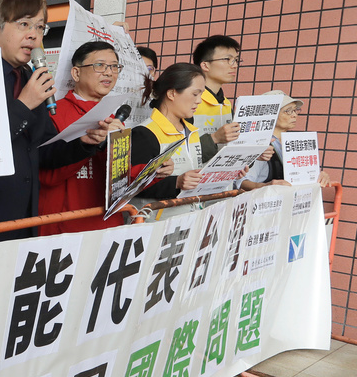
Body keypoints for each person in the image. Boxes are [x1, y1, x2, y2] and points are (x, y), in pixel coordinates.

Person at [0, 0, 113, 242]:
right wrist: (24, 105)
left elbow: (43, 151)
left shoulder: (29, 80)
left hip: (25, 221)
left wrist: (85, 144)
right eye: (23, 24)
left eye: (40, 26)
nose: (34, 34)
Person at [39, 41, 126, 235]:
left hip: (108, 224)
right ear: (76, 73)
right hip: (65, 225)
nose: (109, 72)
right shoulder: (53, 112)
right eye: (100, 65)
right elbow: (46, 175)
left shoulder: (114, 120)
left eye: (114, 66)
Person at [130, 63, 206, 216]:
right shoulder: (144, 133)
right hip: (156, 225)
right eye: (195, 94)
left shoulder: (191, 130)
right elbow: (132, 186)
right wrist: (176, 183)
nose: (199, 101)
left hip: (191, 218)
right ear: (172, 94)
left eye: (201, 95)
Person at [242, 91, 332, 190]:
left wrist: (318, 176)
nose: (294, 115)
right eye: (288, 111)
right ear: (269, 115)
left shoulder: (294, 143)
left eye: (295, 110)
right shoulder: (259, 143)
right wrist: (267, 186)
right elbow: (242, 182)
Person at [192, 35, 242, 160]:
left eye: (236, 60)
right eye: (227, 59)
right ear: (205, 65)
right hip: (191, 178)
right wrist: (214, 138)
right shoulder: (190, 100)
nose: (234, 65)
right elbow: (178, 151)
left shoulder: (225, 103)